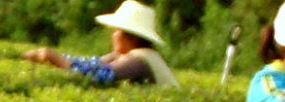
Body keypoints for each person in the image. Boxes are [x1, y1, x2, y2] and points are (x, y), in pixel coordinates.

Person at [22, 0, 180, 88]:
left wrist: (56, 59)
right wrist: (51, 56)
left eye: (117, 31)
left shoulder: (137, 61)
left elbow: (96, 76)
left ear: (132, 38)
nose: (113, 35)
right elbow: (91, 64)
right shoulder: (127, 56)